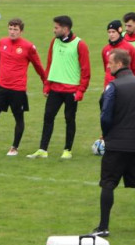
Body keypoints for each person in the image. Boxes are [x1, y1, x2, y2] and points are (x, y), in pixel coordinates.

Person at [93, 49, 135, 237]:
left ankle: (103, 226)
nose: (108, 65)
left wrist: (107, 134)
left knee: (108, 183)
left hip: (116, 145)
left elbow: (105, 115)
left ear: (119, 64)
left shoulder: (113, 87)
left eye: (110, 62)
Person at [0, 18, 46, 157]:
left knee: (18, 118)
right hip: (2, 87)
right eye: (10, 29)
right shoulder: (2, 42)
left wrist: (45, 82)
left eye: (15, 30)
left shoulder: (28, 47)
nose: (12, 32)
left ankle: (14, 147)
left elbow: (38, 66)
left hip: (18, 89)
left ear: (21, 31)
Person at [27, 16, 91, 160]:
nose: (53, 30)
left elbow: (86, 70)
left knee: (69, 119)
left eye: (56, 28)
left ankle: (67, 150)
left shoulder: (80, 44)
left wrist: (81, 90)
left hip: (71, 91)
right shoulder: (54, 42)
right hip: (55, 89)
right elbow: (50, 63)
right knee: (48, 117)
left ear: (65, 29)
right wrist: (47, 84)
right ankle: (43, 149)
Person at [101, 20, 135, 84]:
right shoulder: (105, 49)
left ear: (119, 31)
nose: (111, 35)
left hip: (125, 86)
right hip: (109, 86)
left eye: (113, 32)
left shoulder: (130, 49)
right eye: (109, 32)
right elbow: (107, 69)